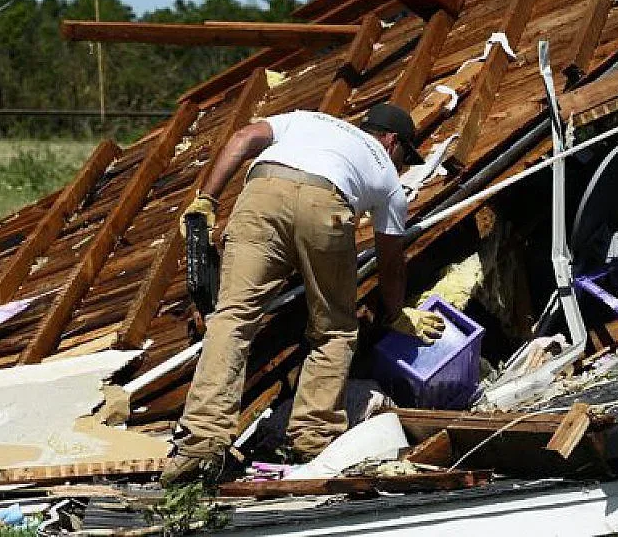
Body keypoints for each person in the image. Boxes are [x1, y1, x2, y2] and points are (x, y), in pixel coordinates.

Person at [161, 103, 446, 486]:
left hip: (261, 194)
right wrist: (395, 312)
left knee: (232, 318)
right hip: (325, 207)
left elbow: (243, 137)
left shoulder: (306, 120)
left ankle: (199, 445)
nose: (403, 166)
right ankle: (312, 441)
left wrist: (207, 200)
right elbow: (390, 260)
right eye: (405, 158)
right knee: (335, 329)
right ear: (392, 142)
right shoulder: (386, 173)